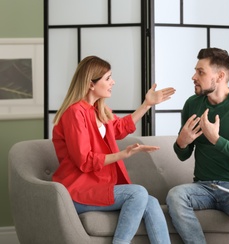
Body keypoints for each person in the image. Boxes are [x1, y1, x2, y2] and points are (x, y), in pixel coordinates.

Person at [52, 55, 175, 244]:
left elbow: (119, 128)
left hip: (97, 186)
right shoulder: (75, 113)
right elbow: (85, 160)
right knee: (138, 193)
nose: (113, 82)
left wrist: (147, 105)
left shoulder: (99, 109)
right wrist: (123, 154)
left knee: (149, 201)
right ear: (91, 84)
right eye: (108, 78)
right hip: (78, 191)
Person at [166, 47, 229, 243]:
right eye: (196, 70)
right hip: (203, 186)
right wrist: (181, 143)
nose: (194, 76)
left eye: (200, 72)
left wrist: (217, 140)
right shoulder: (192, 104)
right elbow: (183, 154)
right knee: (175, 196)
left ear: (219, 76)